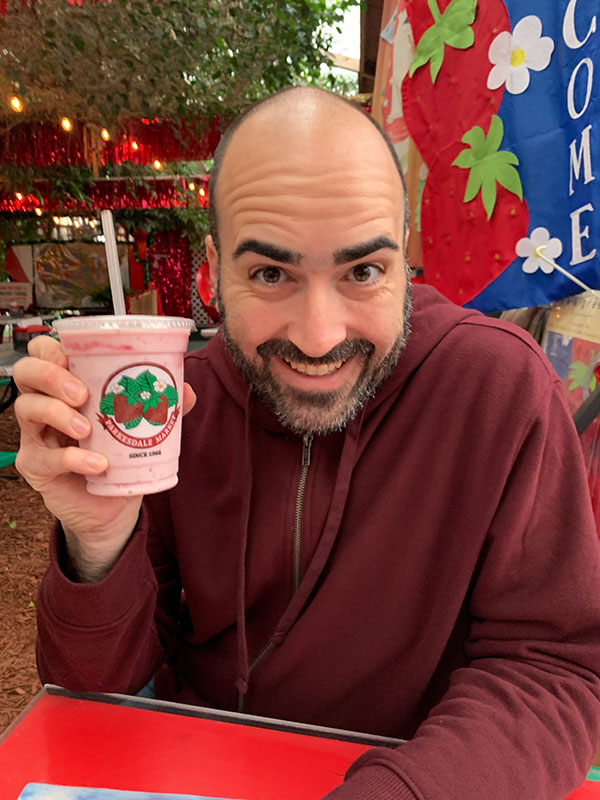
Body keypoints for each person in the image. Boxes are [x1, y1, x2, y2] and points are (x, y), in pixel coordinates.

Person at [13, 87, 600, 800]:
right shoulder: (172, 411)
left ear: (403, 258)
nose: (319, 337)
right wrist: (98, 541)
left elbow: (553, 670)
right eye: (269, 273)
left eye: (363, 272)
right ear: (214, 269)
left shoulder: (499, 392)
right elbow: (99, 703)